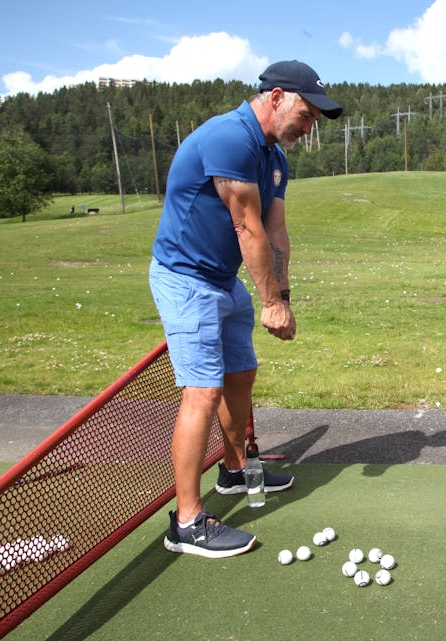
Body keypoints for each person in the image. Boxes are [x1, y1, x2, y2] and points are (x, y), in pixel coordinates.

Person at [149, 60, 342, 558]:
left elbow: (276, 233)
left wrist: (285, 297)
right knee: (204, 392)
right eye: (306, 113)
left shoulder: (275, 157)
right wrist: (270, 303)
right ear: (276, 96)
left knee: (241, 374)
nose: (309, 125)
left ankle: (235, 472)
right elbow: (247, 227)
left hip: (223, 279)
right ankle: (186, 523)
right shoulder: (229, 137)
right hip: (186, 279)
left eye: (315, 119)